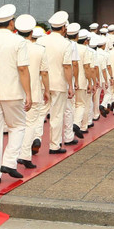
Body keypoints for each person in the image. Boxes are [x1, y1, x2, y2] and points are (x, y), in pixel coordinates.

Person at [0, 4, 32, 183]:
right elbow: (23, 69)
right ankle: (9, 161)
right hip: (13, 92)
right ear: (11, 23)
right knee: (18, 126)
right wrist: (29, 94)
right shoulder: (19, 41)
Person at [38, 11, 74, 154]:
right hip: (59, 83)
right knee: (57, 115)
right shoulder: (66, 44)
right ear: (64, 27)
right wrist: (70, 85)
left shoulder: (41, 40)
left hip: (42, 83)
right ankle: (54, 145)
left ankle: (35, 138)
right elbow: (67, 66)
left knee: (40, 113)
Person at [15, 15, 48, 169]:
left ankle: (11, 156)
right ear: (31, 32)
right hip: (33, 92)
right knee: (30, 124)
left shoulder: (12, 47)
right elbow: (44, 73)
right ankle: (24, 156)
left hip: (14, 93)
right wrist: (46, 90)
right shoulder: (39, 50)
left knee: (13, 126)